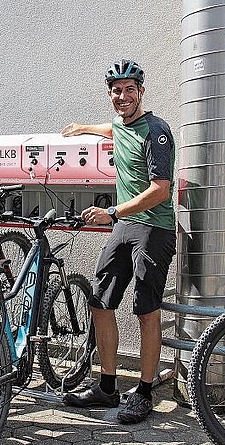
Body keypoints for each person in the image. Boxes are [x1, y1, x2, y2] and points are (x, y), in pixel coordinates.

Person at [60, 59, 176, 425]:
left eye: (129, 89)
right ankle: (107, 386)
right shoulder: (120, 125)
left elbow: (160, 190)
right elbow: (112, 129)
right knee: (100, 302)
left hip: (153, 228)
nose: (122, 96)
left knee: (145, 310)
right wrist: (82, 129)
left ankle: (143, 393)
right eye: (116, 90)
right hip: (124, 226)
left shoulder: (156, 131)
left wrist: (113, 212)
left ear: (142, 91)